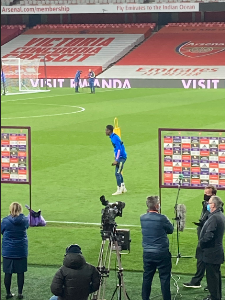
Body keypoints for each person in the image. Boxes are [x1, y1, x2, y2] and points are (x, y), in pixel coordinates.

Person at [183, 185, 217, 290]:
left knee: (209, 262)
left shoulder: (216, 209)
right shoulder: (205, 205)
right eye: (205, 193)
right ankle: (196, 281)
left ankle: (211, 284)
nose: (205, 195)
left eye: (208, 193)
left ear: (214, 195)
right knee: (201, 259)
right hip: (202, 237)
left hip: (208, 239)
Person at [140, 196, 174, 300]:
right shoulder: (162, 218)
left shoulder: (142, 218)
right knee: (164, 278)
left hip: (147, 253)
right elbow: (171, 230)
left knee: (147, 277)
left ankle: (145, 298)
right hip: (161, 252)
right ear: (157, 205)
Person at [1, 202, 29, 299]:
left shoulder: (5, 220)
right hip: (21, 250)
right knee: (20, 272)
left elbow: (2, 231)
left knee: (7, 273)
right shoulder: (25, 220)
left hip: (8, 251)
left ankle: (8, 293)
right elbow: (27, 226)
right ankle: (20, 293)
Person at [200, 196, 225, 300]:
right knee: (216, 276)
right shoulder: (220, 215)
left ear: (213, 205)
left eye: (209, 203)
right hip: (216, 252)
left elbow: (209, 235)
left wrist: (201, 243)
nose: (207, 205)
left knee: (212, 277)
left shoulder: (214, 217)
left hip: (212, 253)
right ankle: (215, 296)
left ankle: (214, 297)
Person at [105, 124, 127, 195]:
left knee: (117, 173)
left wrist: (117, 159)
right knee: (119, 172)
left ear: (110, 131)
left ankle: (119, 189)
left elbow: (119, 149)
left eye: (106, 130)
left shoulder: (114, 138)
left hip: (121, 157)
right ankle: (123, 187)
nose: (105, 131)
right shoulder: (113, 137)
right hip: (120, 157)